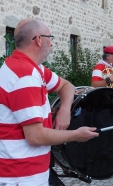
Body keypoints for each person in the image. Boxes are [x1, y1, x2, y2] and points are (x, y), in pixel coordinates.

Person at [0, 19, 99, 186]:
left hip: (29, 172)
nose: (52, 44)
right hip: (21, 177)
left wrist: (65, 110)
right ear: (38, 39)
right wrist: (76, 135)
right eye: (50, 38)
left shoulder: (33, 68)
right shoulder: (25, 76)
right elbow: (35, 136)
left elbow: (66, 86)